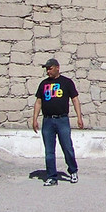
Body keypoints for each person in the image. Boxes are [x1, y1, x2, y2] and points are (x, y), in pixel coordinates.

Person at [31, 58, 83, 186]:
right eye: (46, 69)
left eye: (50, 68)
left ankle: (73, 171)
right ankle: (51, 176)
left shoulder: (67, 82)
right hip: (48, 121)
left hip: (62, 120)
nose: (48, 71)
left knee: (67, 147)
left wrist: (79, 117)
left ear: (57, 68)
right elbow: (38, 102)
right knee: (49, 150)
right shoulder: (43, 84)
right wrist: (34, 119)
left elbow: (75, 99)